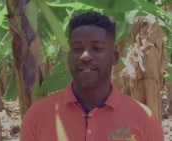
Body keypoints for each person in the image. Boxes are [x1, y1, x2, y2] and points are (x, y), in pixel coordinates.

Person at [19, 11, 164, 141]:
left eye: (97, 48)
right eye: (77, 49)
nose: (85, 56)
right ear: (69, 56)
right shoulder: (38, 115)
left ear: (114, 57)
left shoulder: (143, 118)